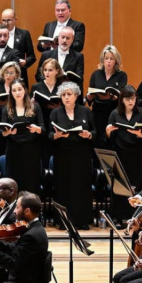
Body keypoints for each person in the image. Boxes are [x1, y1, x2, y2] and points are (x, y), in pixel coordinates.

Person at [49, 82, 96, 229]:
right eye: (63, 95)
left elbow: (95, 132)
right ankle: (63, 221)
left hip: (82, 155)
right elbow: (49, 134)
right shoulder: (56, 113)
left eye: (69, 94)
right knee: (63, 187)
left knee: (81, 187)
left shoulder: (86, 111)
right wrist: (56, 136)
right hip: (62, 155)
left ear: (76, 96)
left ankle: (82, 221)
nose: (66, 97)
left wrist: (89, 135)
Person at [107, 86, 142, 224]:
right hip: (120, 154)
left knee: (137, 185)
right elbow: (109, 138)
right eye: (128, 99)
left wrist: (139, 134)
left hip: (137, 155)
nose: (131, 101)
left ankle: (137, 218)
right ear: (122, 100)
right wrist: (108, 131)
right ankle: (119, 217)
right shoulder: (115, 113)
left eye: (133, 98)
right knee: (120, 186)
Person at [1, 79, 45, 195]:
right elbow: (2, 132)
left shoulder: (35, 107)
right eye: (14, 90)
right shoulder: (6, 109)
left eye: (19, 89)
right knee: (14, 182)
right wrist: (8, 132)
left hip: (31, 150)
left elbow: (43, 128)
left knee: (31, 182)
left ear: (25, 90)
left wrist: (36, 129)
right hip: (14, 150)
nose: (17, 93)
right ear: (11, 92)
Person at [87, 45, 128, 149]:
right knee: (98, 139)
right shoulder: (96, 74)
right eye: (106, 58)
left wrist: (114, 97)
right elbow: (89, 96)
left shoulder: (122, 75)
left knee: (111, 139)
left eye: (111, 59)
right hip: (98, 111)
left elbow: (121, 95)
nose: (109, 61)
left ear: (116, 61)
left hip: (113, 111)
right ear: (102, 60)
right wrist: (89, 96)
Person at [0, 9, 36, 83]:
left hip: (19, 75)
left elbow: (32, 56)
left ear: (15, 20)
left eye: (9, 20)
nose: (6, 23)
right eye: (3, 20)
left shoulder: (24, 34)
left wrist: (25, 62)